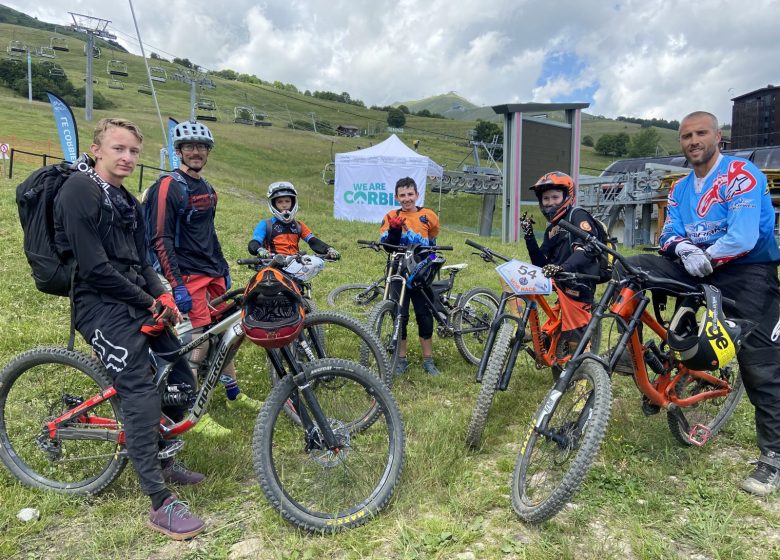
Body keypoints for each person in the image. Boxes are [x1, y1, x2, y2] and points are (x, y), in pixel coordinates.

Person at [53, 118, 205, 540]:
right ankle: (159, 502)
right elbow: (96, 268)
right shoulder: (78, 191)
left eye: (134, 151)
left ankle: (162, 459)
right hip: (98, 306)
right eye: (118, 149)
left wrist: (165, 295)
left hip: (135, 296)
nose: (127, 158)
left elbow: (141, 262)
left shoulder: (125, 199)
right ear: (97, 149)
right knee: (139, 391)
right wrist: (150, 300)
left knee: (179, 379)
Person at [623, 111, 780, 496]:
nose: (693, 141)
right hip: (696, 265)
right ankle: (634, 354)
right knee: (632, 267)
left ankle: (773, 457)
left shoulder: (741, 175)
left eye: (700, 133)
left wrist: (704, 254)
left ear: (718, 137)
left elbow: (742, 237)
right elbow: (668, 235)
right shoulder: (679, 189)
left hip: (748, 271)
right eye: (686, 136)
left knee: (761, 366)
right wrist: (684, 248)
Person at [146, 121, 260, 434]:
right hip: (185, 275)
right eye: (189, 147)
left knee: (225, 335)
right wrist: (177, 285)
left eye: (201, 147)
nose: (196, 152)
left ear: (207, 152)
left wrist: (222, 267)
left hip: (211, 273)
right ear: (179, 151)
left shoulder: (208, 189)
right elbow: (160, 238)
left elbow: (207, 232)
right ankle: (191, 413)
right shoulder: (168, 186)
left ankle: (233, 393)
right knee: (196, 343)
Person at [520, 171, 602, 361]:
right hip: (560, 283)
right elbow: (540, 262)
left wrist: (563, 268)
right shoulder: (552, 228)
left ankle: (584, 376)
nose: (550, 202)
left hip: (579, 283)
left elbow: (587, 249)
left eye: (555, 197)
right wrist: (529, 236)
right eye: (546, 198)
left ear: (567, 196)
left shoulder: (577, 215)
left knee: (577, 338)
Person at [378, 176, 441, 376]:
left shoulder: (429, 215)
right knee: (400, 315)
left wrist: (430, 262)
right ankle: (401, 359)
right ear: (396, 197)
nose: (407, 198)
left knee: (424, 315)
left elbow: (433, 244)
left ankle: (428, 361)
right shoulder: (390, 216)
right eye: (402, 195)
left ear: (417, 195)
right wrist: (395, 231)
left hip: (421, 271)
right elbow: (388, 247)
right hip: (398, 272)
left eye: (410, 194)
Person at [247, 181, 340, 260]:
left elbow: (313, 241)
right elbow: (255, 242)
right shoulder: (265, 225)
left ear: (293, 203)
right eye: (280, 202)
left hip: (295, 264)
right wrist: (259, 250)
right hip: (273, 265)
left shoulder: (299, 226)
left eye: (287, 201)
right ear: (273, 204)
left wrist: (329, 249)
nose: (284, 205)